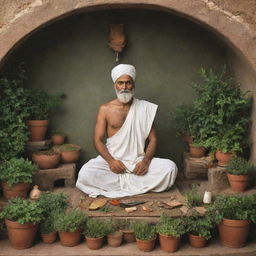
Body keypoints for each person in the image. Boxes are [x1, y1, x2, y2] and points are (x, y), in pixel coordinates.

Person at [76, 64, 177, 198]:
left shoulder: (144, 108)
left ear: (133, 85)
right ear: (115, 85)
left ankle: (124, 183)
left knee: (170, 168)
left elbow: (153, 139)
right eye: (120, 83)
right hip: (113, 161)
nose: (124, 87)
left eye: (128, 83)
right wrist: (111, 162)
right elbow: (97, 140)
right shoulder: (105, 109)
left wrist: (145, 162)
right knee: (85, 173)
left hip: (137, 162)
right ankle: (136, 184)